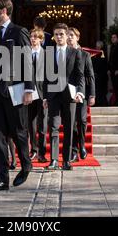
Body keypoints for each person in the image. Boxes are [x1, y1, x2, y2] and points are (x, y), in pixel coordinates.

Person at [0, 0, 34, 192]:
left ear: (3, 11)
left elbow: (27, 60)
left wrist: (29, 89)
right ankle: (2, 178)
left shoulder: (18, 32)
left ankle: (26, 164)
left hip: (15, 90)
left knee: (19, 132)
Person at [43, 23, 84, 171]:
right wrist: (45, 97)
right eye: (56, 34)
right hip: (53, 96)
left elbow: (80, 75)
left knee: (68, 128)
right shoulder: (48, 52)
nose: (59, 37)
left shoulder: (75, 52)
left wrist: (80, 92)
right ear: (53, 37)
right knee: (53, 127)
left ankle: (66, 160)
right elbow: (45, 77)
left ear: (67, 36)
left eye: (61, 34)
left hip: (69, 96)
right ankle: (53, 160)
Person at [67, 27, 95, 162]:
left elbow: (90, 76)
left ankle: (82, 144)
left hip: (82, 92)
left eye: (71, 35)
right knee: (71, 122)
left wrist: (92, 95)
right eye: (67, 35)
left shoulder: (85, 55)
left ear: (77, 38)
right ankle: (74, 151)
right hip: (68, 93)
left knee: (82, 120)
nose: (69, 37)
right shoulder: (63, 53)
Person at [28, 28, 47, 162]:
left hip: (43, 94)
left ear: (41, 39)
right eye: (31, 36)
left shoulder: (47, 55)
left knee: (42, 125)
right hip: (29, 93)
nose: (33, 39)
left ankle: (42, 152)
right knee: (31, 124)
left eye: (36, 37)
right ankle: (34, 150)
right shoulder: (25, 54)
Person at [108, 33, 118, 106]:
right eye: (112, 37)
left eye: (114, 37)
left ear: (117, 38)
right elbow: (110, 59)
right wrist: (109, 69)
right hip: (112, 70)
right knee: (114, 85)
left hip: (117, 70)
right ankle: (116, 99)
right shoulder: (112, 46)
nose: (112, 39)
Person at [91, 41, 108, 106]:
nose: (97, 47)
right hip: (95, 74)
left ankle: (102, 103)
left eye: (99, 46)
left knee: (102, 90)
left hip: (102, 75)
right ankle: (97, 102)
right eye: (96, 46)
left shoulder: (103, 53)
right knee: (96, 89)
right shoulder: (94, 53)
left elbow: (104, 64)